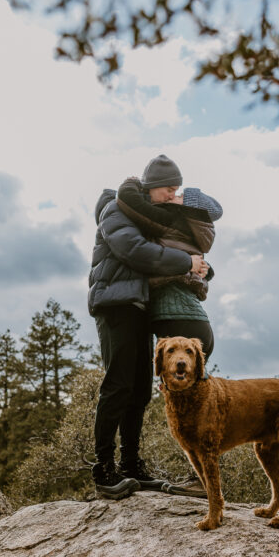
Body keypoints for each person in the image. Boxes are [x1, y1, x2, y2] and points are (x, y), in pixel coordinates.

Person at [88, 157, 207, 497]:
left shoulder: (144, 215)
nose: (172, 196)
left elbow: (162, 248)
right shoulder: (114, 209)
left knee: (139, 389)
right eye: (169, 189)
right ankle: (103, 471)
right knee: (118, 385)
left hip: (139, 304)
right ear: (153, 185)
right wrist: (186, 261)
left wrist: (199, 267)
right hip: (115, 303)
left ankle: (130, 466)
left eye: (176, 190)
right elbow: (135, 251)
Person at [116, 168, 222, 359]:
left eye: (180, 195)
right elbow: (188, 255)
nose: (174, 195)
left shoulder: (173, 219)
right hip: (193, 317)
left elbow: (128, 200)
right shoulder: (196, 230)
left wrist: (131, 182)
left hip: (178, 315)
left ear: (189, 208)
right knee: (194, 386)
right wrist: (207, 269)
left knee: (180, 386)